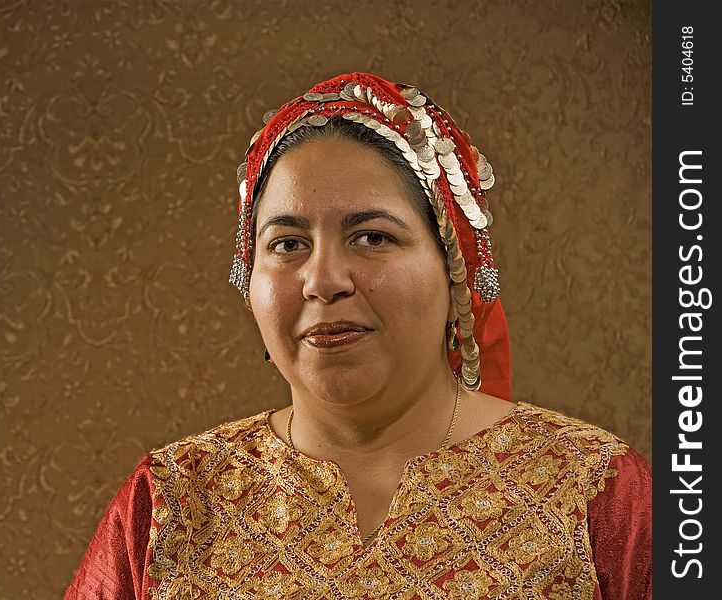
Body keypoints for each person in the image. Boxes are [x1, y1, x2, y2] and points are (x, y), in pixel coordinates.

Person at [63, 72, 652, 600]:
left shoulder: (593, 491)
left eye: (371, 237)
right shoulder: (173, 504)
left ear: (454, 270)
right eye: (288, 245)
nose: (323, 281)